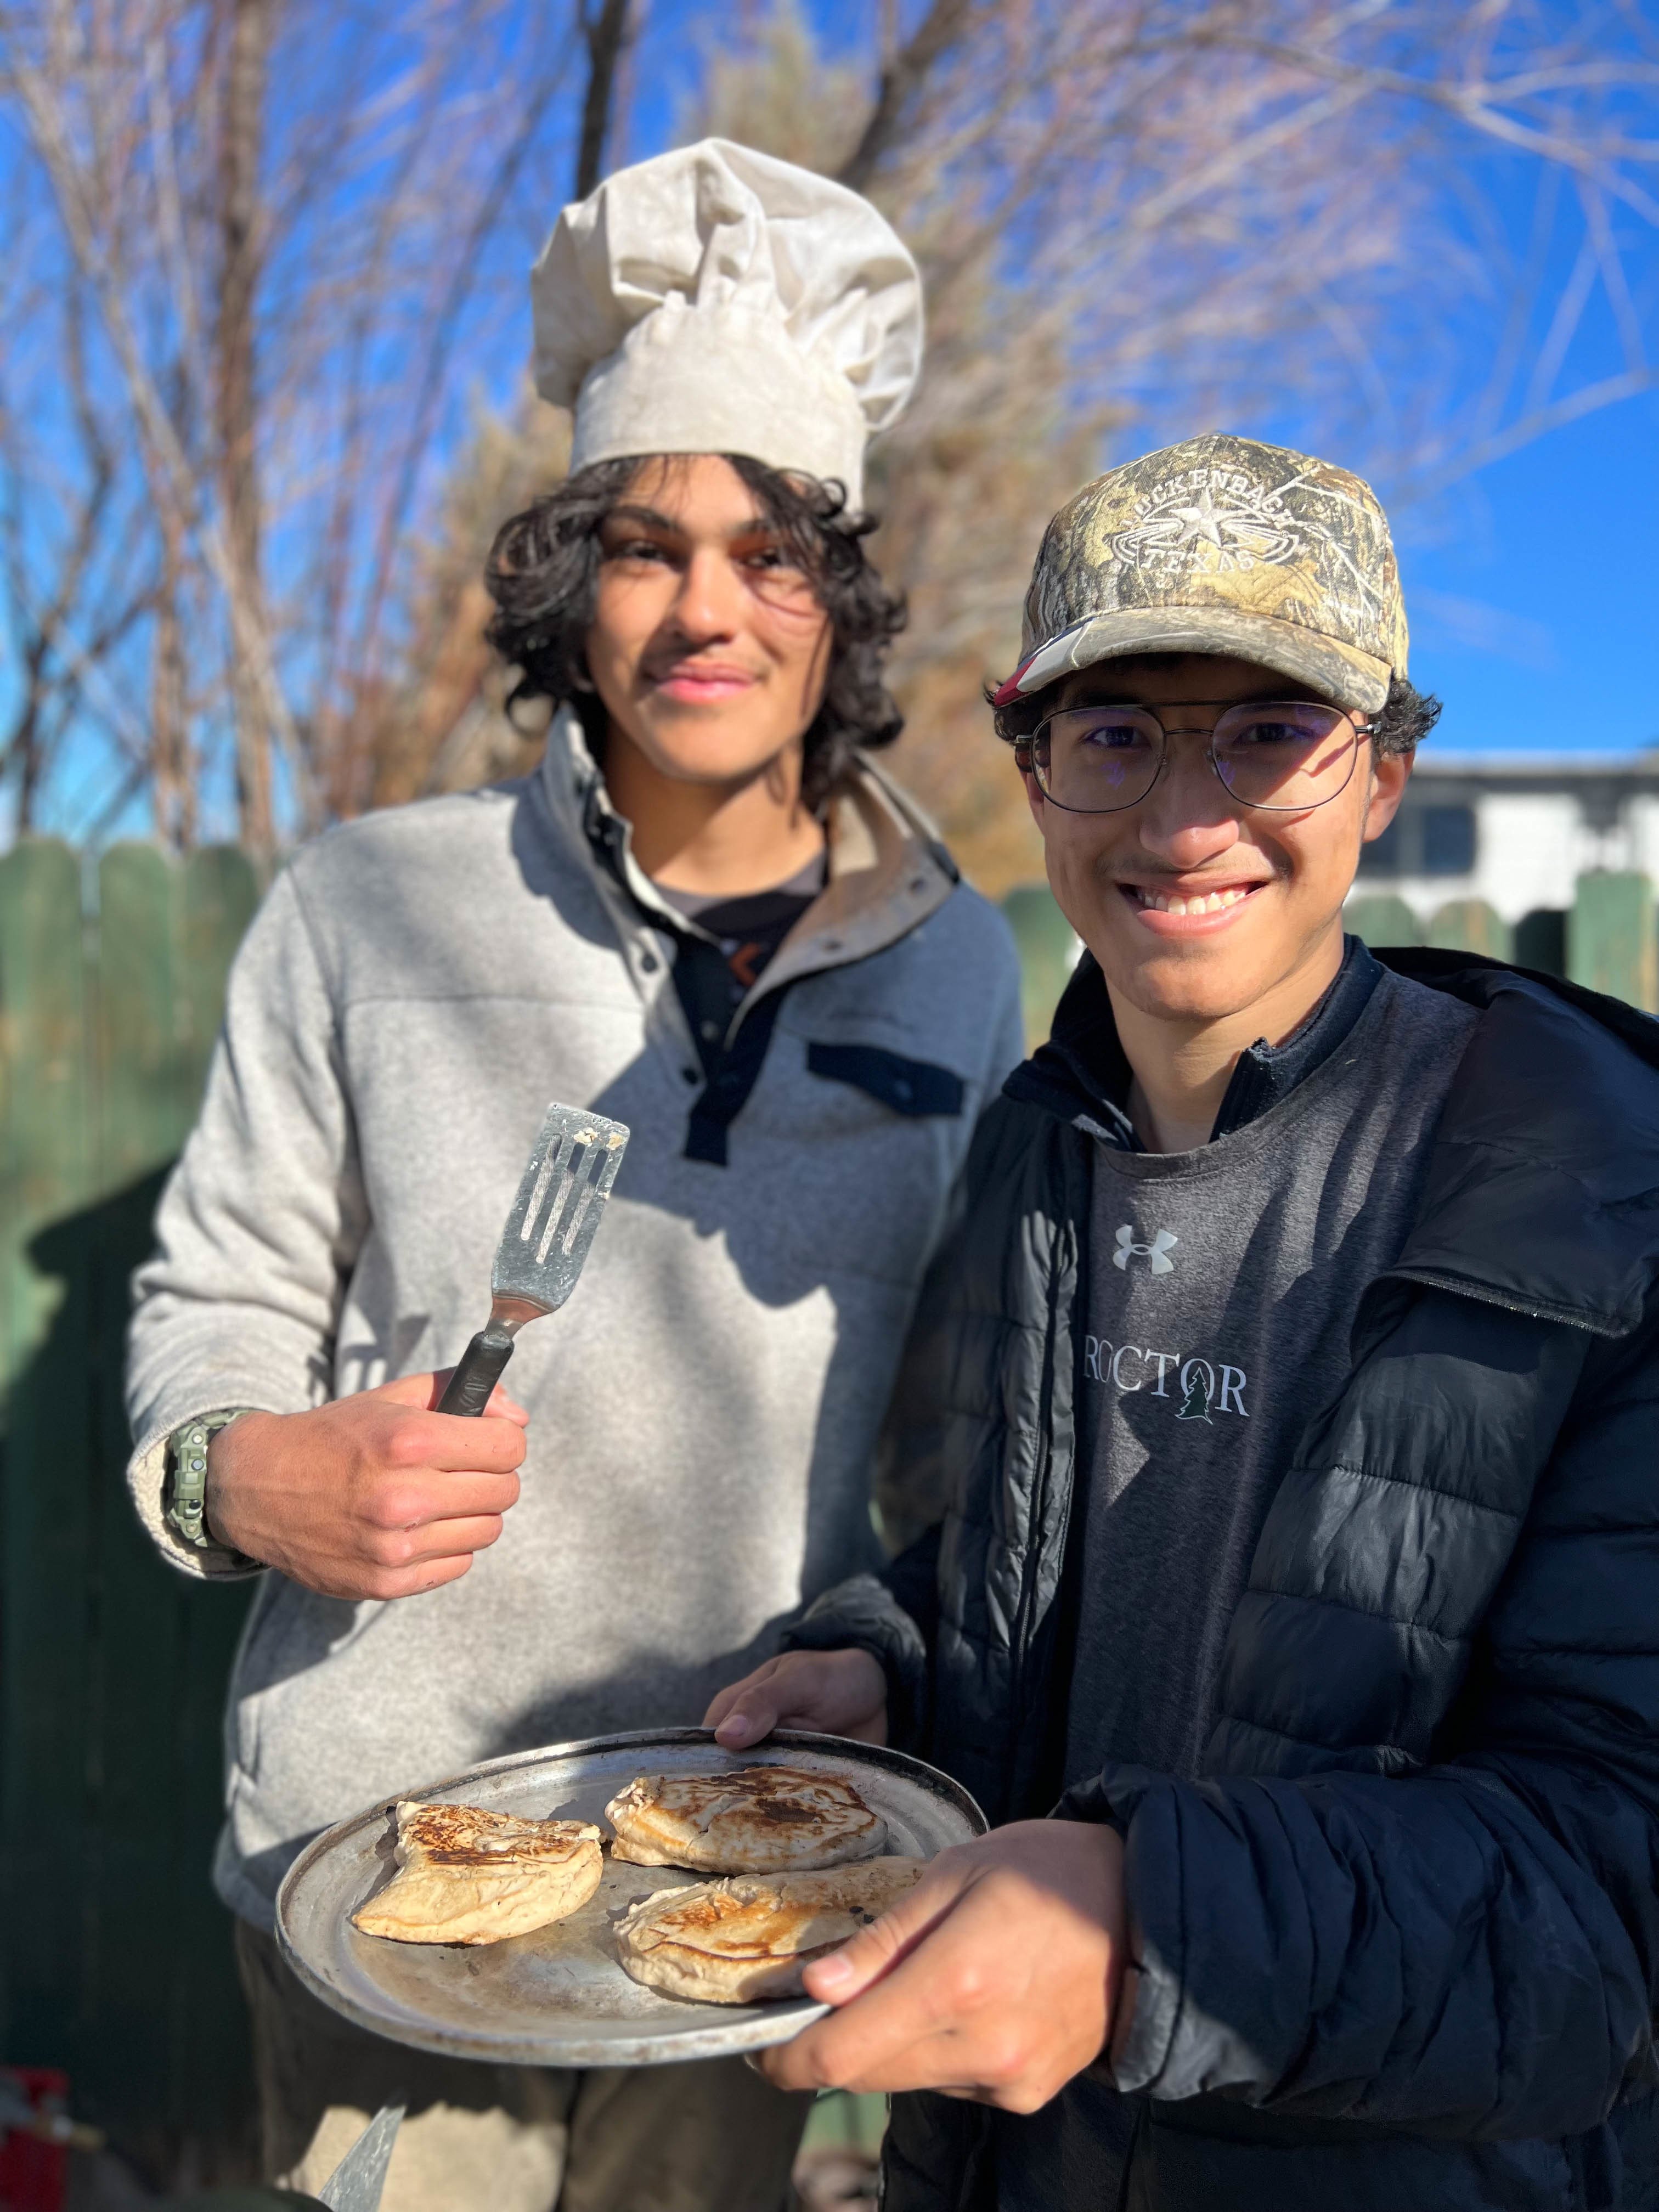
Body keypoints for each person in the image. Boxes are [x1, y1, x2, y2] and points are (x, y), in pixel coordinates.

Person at [125, 139, 1024, 2212]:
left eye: (772, 548)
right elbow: (213, 1302)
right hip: (380, 1864)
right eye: (642, 542)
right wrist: (235, 1478)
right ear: (572, 588)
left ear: (844, 595)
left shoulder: (962, 959)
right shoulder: (372, 904)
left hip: (758, 1868)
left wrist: (890, 1644)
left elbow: (953, 1437)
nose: (706, 604)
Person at [707, 431, 1659, 2210]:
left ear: (1382, 773)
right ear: (1036, 767)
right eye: (1119, 732)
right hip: (1010, 2160)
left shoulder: (1599, 1194)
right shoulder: (1032, 1145)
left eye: (1266, 732)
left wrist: (1149, 1921)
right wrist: (888, 1661)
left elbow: (1619, 1888)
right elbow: (1004, 1563)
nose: (1183, 818)